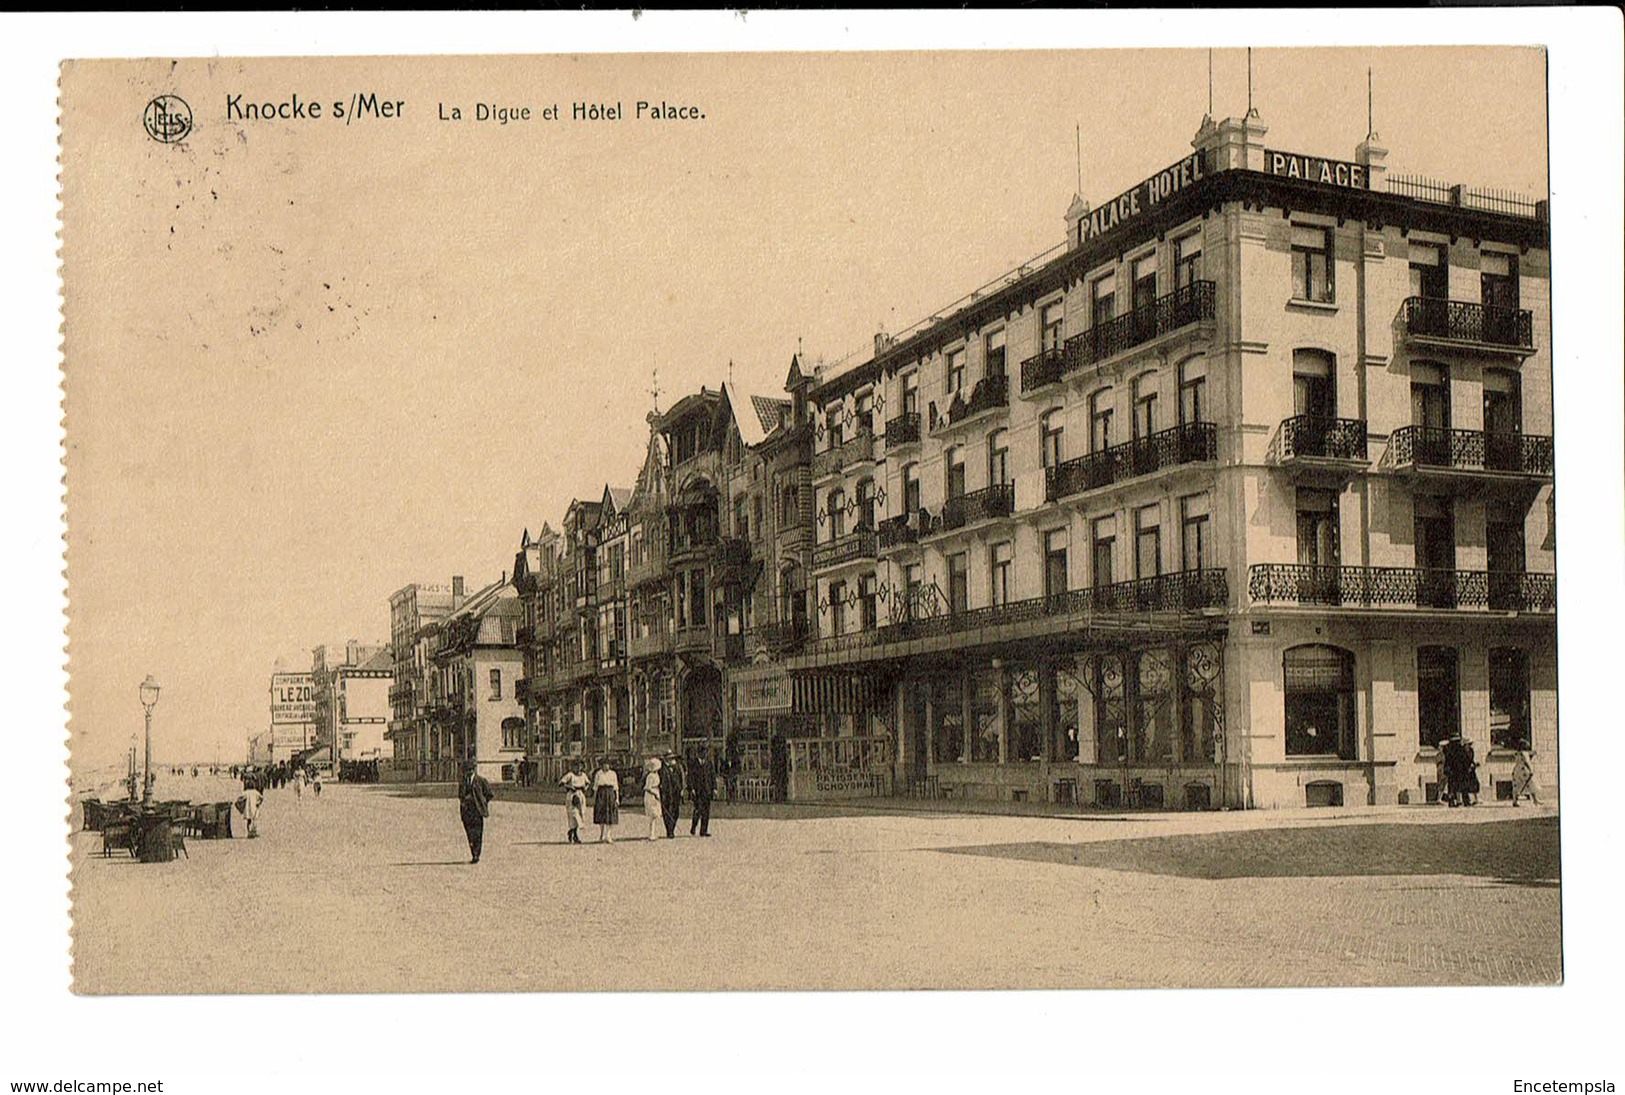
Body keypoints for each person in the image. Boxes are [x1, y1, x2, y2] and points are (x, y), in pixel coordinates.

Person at [458, 761, 493, 863]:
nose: (468, 772)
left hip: (477, 812)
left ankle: (476, 855)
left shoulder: (481, 781)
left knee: (478, 833)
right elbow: (460, 795)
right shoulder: (463, 782)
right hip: (466, 812)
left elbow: (489, 794)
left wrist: (482, 803)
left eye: (469, 770)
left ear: (473, 770)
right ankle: (473, 852)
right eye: (466, 771)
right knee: (470, 834)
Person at [559, 758, 589, 843]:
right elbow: (561, 783)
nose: (578, 768)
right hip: (572, 795)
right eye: (576, 766)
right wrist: (569, 786)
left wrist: (585, 788)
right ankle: (573, 833)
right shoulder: (570, 775)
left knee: (580, 814)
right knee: (573, 815)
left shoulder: (583, 775)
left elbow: (588, 783)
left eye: (580, 766)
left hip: (580, 795)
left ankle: (573, 833)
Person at [591, 757, 620, 843]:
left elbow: (616, 787)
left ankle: (608, 835)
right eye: (604, 764)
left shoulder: (613, 774)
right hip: (601, 794)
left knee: (610, 815)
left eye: (607, 764)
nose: (606, 766)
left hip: (610, 794)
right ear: (601, 765)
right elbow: (595, 787)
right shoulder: (598, 774)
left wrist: (617, 798)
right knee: (601, 815)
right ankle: (601, 834)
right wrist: (594, 799)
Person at [688, 748, 715, 837]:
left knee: (706, 811)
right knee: (698, 810)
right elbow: (690, 777)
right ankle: (693, 826)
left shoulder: (709, 763)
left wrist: (714, 788)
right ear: (699, 754)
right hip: (698, 791)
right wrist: (691, 788)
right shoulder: (693, 764)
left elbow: (712, 776)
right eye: (703, 752)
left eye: (705, 753)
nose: (704, 754)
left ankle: (703, 831)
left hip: (707, 791)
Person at [659, 751, 684, 838]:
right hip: (666, 793)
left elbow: (681, 779)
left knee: (676, 812)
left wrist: (681, 789)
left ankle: (672, 828)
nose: (672, 760)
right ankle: (669, 831)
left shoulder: (677, 768)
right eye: (670, 758)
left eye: (672, 758)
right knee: (667, 811)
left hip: (676, 792)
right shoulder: (662, 769)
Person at [642, 757, 664, 841]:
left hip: (655, 792)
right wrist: (655, 793)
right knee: (653, 815)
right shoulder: (650, 776)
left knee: (655, 816)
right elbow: (647, 788)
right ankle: (651, 834)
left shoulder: (656, 775)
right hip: (651, 796)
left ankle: (653, 832)